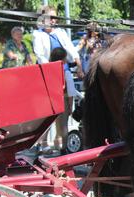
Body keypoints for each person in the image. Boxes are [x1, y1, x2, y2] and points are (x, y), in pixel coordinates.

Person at [33, 5, 83, 154]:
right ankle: (42, 144)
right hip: (48, 78)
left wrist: (79, 66)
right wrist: (52, 74)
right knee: (47, 113)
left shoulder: (61, 33)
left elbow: (72, 50)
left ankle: (63, 144)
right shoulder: (38, 35)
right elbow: (40, 56)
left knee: (65, 112)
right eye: (51, 17)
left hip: (65, 76)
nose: (54, 20)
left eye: (55, 18)